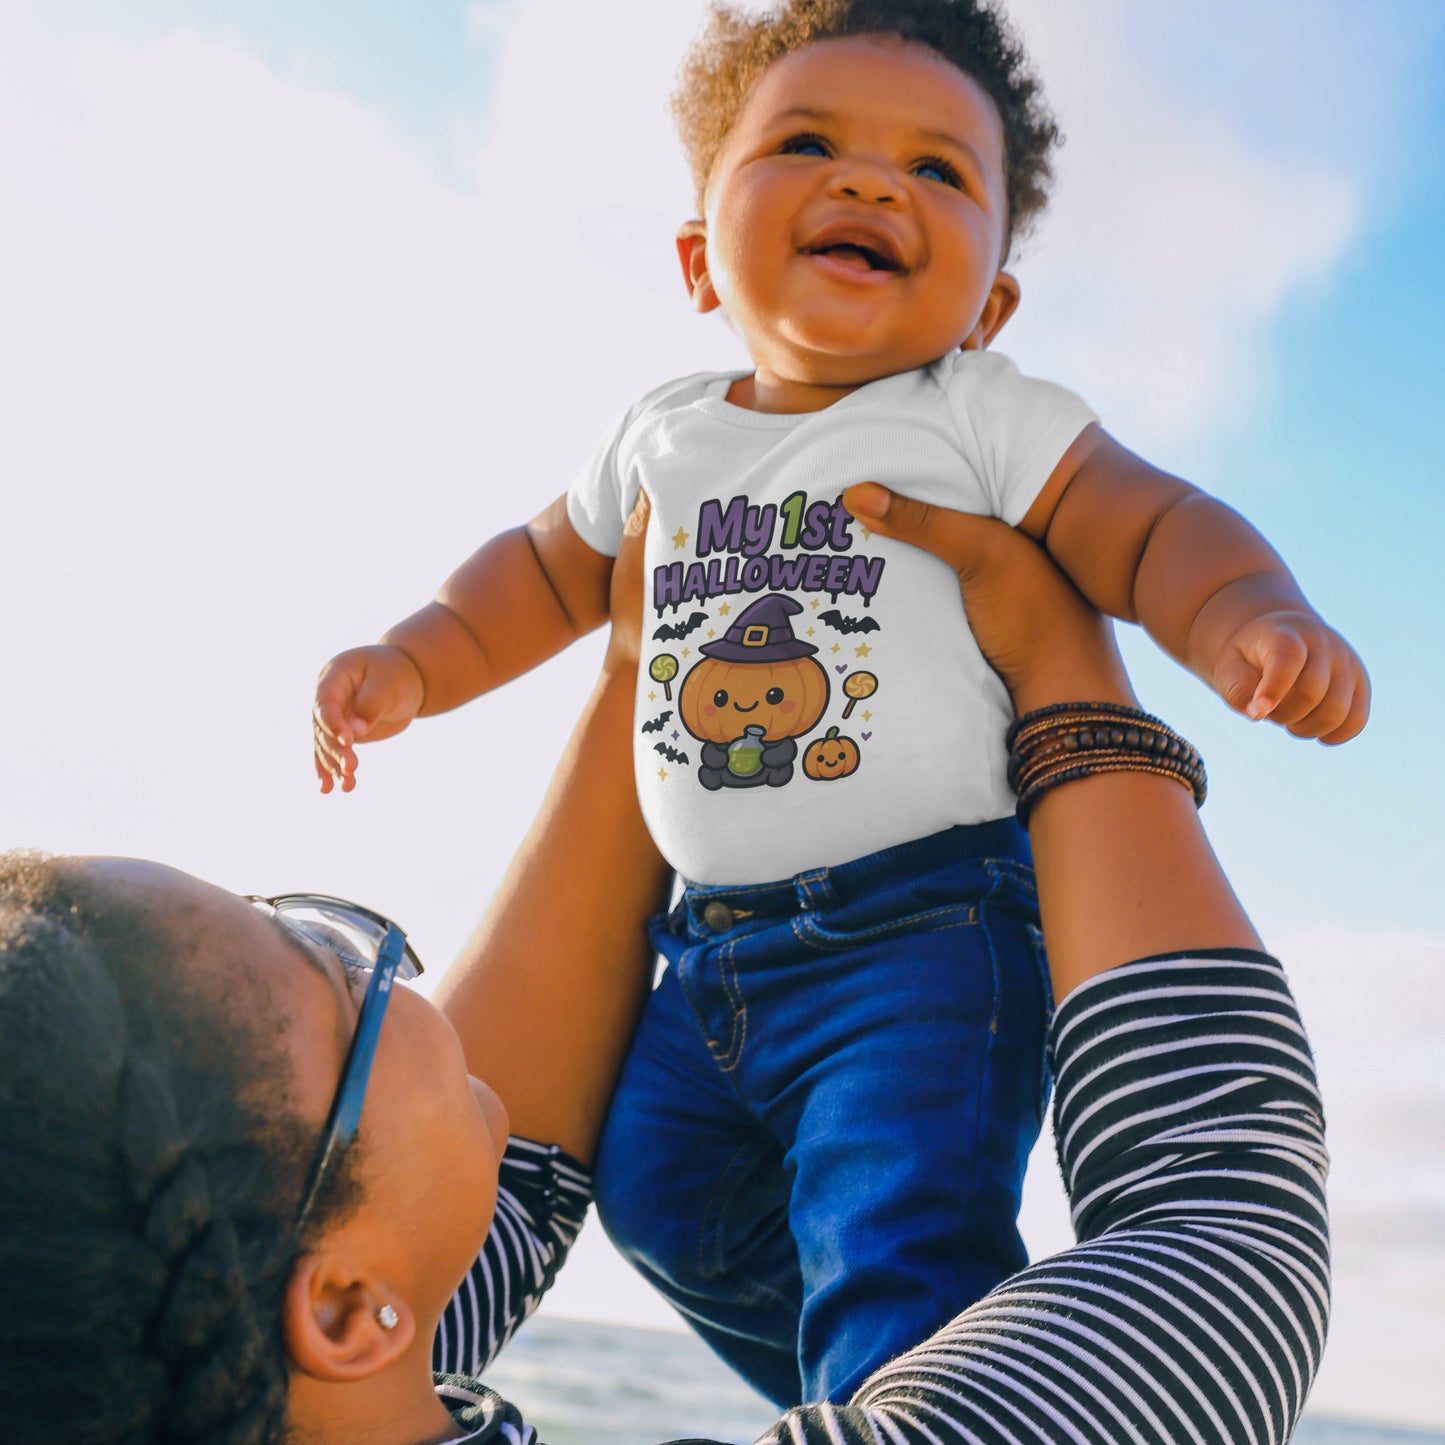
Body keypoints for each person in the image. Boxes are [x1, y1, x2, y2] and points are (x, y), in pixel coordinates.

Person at [311, 0, 1357, 1407]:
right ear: (696, 258)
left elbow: (1152, 520)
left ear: (987, 302)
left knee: (894, 1229)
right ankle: (883, 1387)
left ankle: (905, 1373)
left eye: (939, 170)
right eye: (806, 142)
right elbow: (544, 571)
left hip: (923, 936)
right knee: (657, 1193)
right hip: (705, 952)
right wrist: (419, 657)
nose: (871, 181)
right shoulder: (661, 433)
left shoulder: (975, 413)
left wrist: (1246, 614)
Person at [3, 489, 1327, 1442]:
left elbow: (496, 1192)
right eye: (328, 962)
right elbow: (1219, 1232)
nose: (400, 968)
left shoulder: (264, 1359)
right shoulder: (326, 1313)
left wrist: (649, 661)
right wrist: (1059, 664)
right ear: (347, 1309)